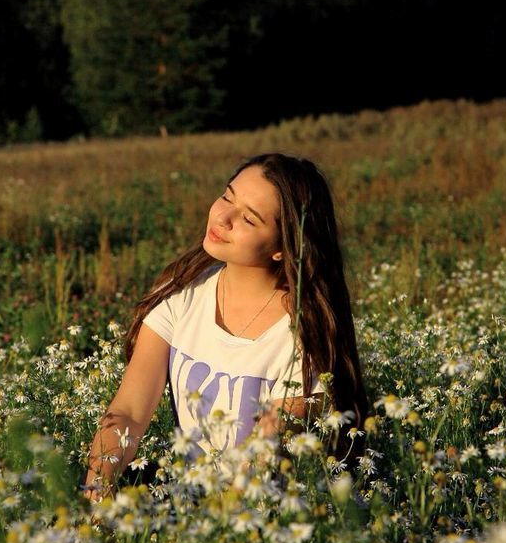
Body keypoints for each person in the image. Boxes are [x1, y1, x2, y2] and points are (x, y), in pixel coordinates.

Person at [83, 152, 369, 501]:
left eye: (249, 219)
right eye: (227, 196)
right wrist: (98, 490)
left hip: (264, 514)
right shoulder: (180, 291)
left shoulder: (303, 336)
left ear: (283, 246)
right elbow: (128, 412)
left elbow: (264, 456)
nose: (223, 217)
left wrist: (211, 532)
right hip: (187, 503)